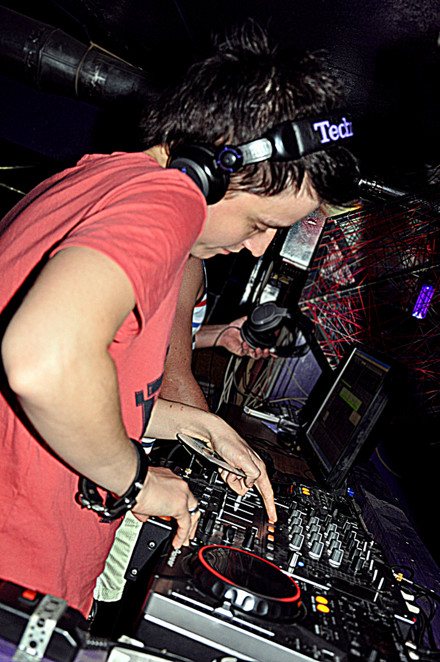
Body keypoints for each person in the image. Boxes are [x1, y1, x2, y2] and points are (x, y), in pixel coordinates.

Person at [0, 21, 359, 618]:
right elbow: (43, 361)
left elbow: (82, 388)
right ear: (211, 168)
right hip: (17, 581)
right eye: (260, 223)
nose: (256, 247)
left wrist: (198, 425)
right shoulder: (168, 198)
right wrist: (137, 480)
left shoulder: (98, 181)